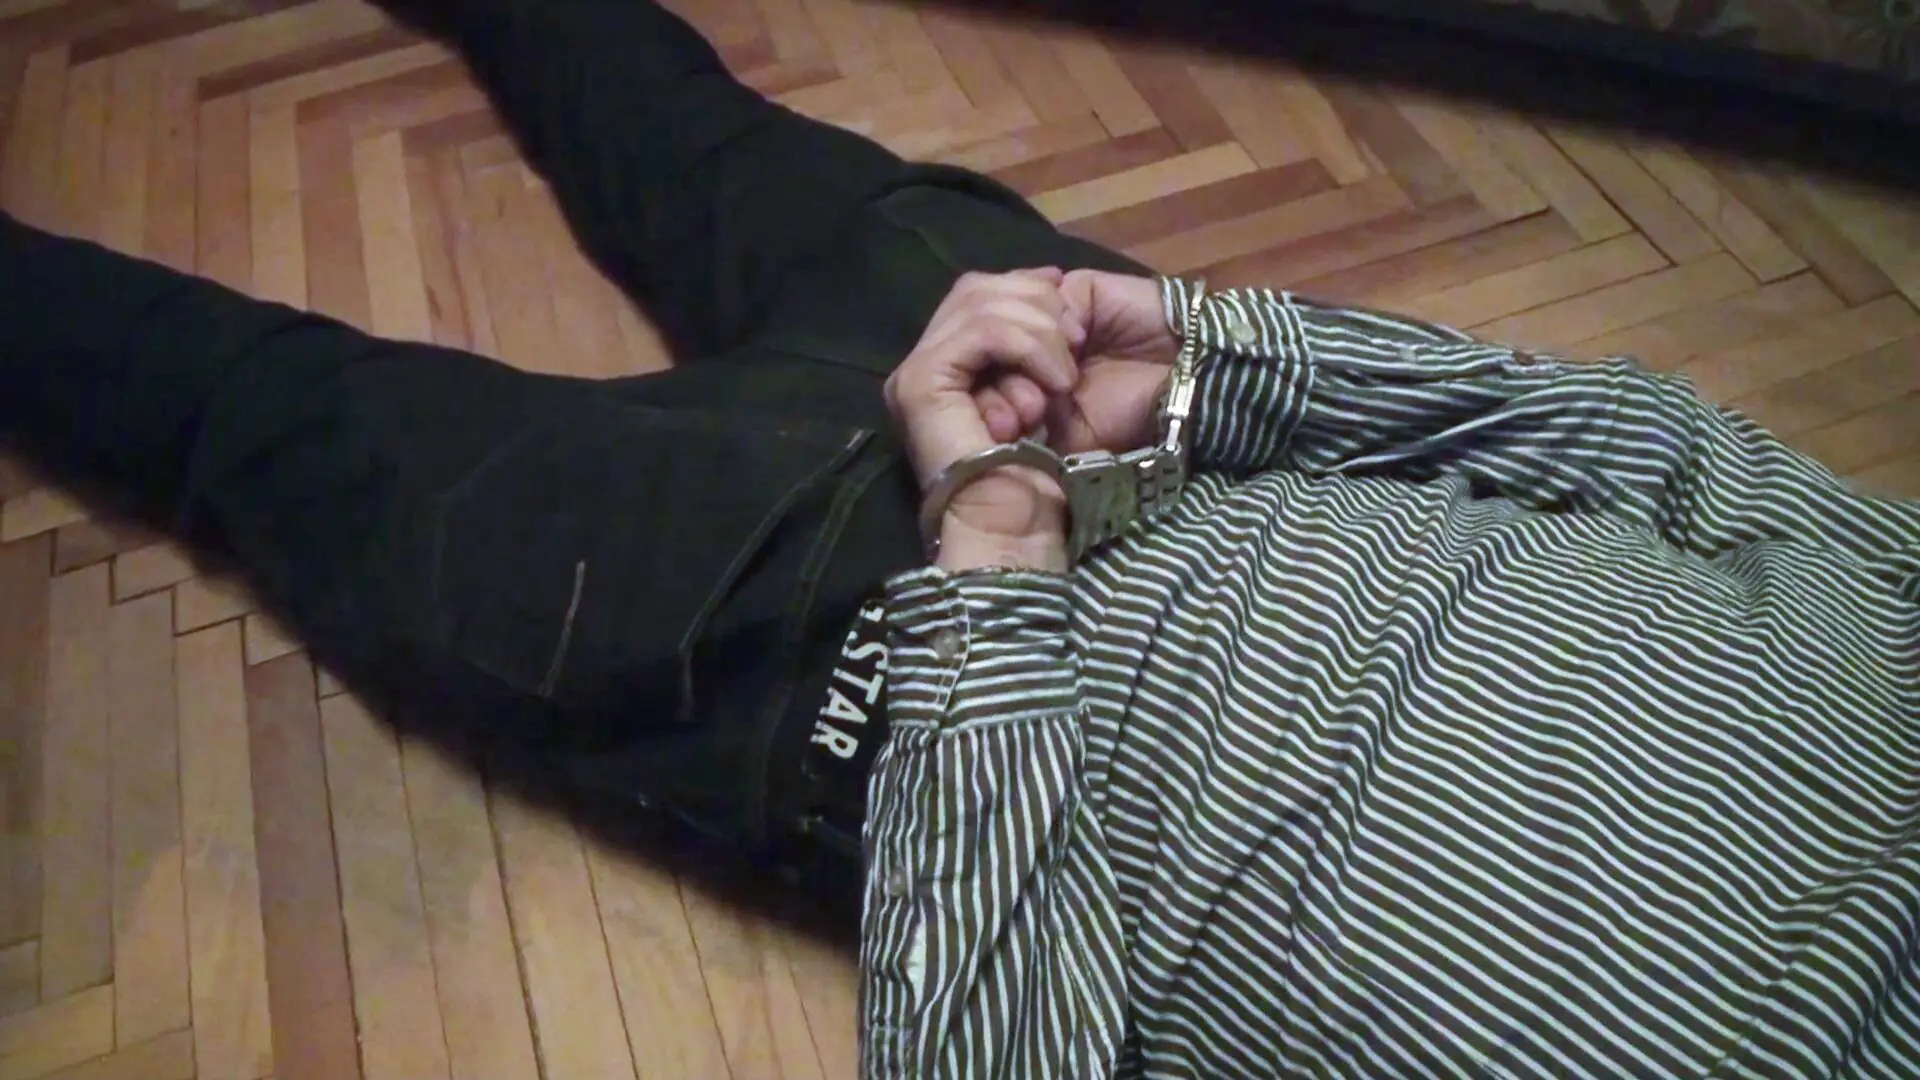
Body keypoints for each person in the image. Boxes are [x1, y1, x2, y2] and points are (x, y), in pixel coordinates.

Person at [0, 0, 1913, 1076]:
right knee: (670, 120)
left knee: (251, 411)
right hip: (1088, 379)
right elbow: (1659, 446)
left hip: (840, 659)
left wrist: (990, 552)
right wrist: (1205, 357)